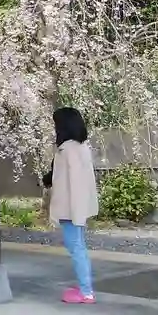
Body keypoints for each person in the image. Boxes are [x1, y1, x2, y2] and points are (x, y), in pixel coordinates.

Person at [45, 106, 98, 304]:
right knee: (78, 246)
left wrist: (76, 213)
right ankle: (85, 287)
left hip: (70, 208)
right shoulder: (81, 147)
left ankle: (86, 291)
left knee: (75, 247)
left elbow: (73, 183)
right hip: (77, 206)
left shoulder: (67, 150)